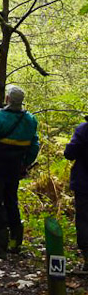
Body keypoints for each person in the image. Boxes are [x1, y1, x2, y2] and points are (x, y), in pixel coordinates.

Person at [0, 85, 39, 258]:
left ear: (7, 99)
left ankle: (1, 246)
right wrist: (25, 164)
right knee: (12, 201)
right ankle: (16, 242)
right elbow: (34, 145)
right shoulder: (30, 119)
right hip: (15, 167)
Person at [64, 117, 88, 273]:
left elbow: (69, 153)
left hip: (84, 183)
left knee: (84, 220)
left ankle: (87, 259)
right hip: (83, 183)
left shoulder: (84, 129)